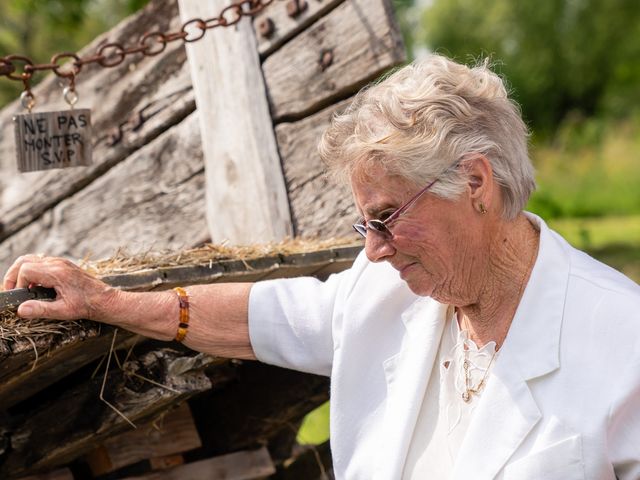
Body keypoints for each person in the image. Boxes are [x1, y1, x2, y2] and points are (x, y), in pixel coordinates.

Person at [4, 54, 640, 479]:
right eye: (365, 223)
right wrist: (105, 301)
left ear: (475, 182)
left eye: (387, 216)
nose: (374, 249)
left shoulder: (622, 341)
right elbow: (272, 317)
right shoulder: (388, 293)